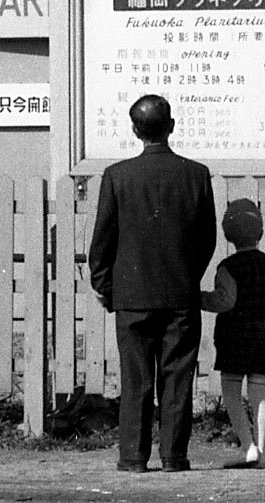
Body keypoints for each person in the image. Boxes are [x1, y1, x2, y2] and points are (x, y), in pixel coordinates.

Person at [85, 93, 217, 471]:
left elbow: (102, 242)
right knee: (177, 378)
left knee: (135, 378)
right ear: (171, 126)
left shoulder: (117, 176)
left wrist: (106, 288)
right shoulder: (196, 174)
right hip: (180, 292)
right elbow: (206, 239)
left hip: (131, 295)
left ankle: (133, 456)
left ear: (134, 130)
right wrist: (188, 276)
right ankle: (174, 455)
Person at [208, 200, 265, 465]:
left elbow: (225, 301)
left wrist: (198, 299)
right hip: (264, 338)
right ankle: (261, 450)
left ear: (229, 234)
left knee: (230, 390)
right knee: (259, 393)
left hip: (235, 339)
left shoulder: (228, 267)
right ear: (259, 232)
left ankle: (248, 446)